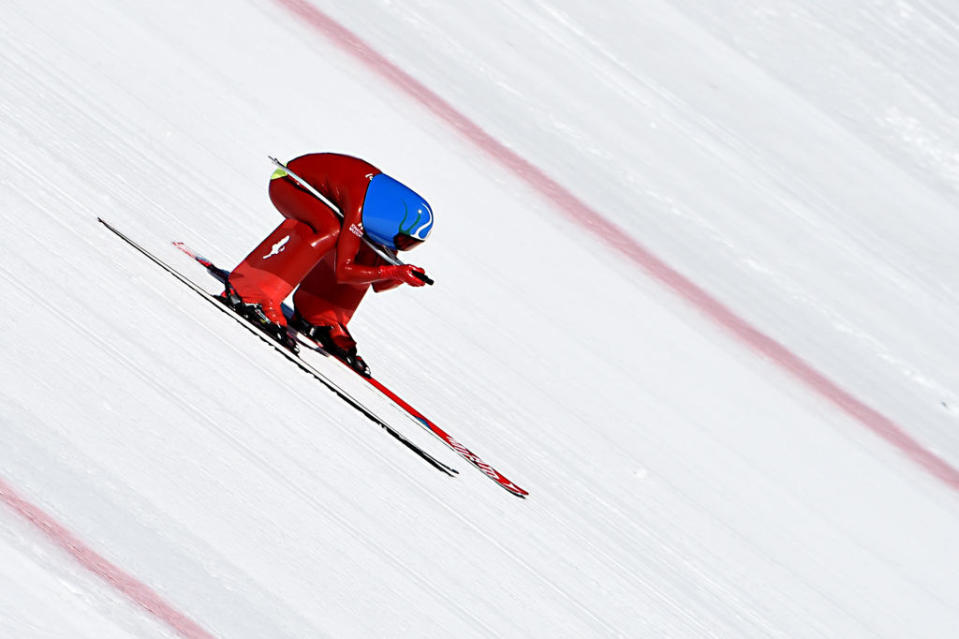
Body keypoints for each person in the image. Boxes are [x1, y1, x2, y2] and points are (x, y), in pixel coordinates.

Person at [221, 152, 434, 376]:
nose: (401, 245)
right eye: (403, 240)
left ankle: (322, 312)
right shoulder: (360, 205)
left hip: (324, 195)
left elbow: (382, 284)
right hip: (289, 182)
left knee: (371, 250)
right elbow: (344, 271)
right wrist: (394, 271)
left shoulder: (379, 214)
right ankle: (252, 290)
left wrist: (400, 274)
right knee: (328, 230)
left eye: (410, 244)